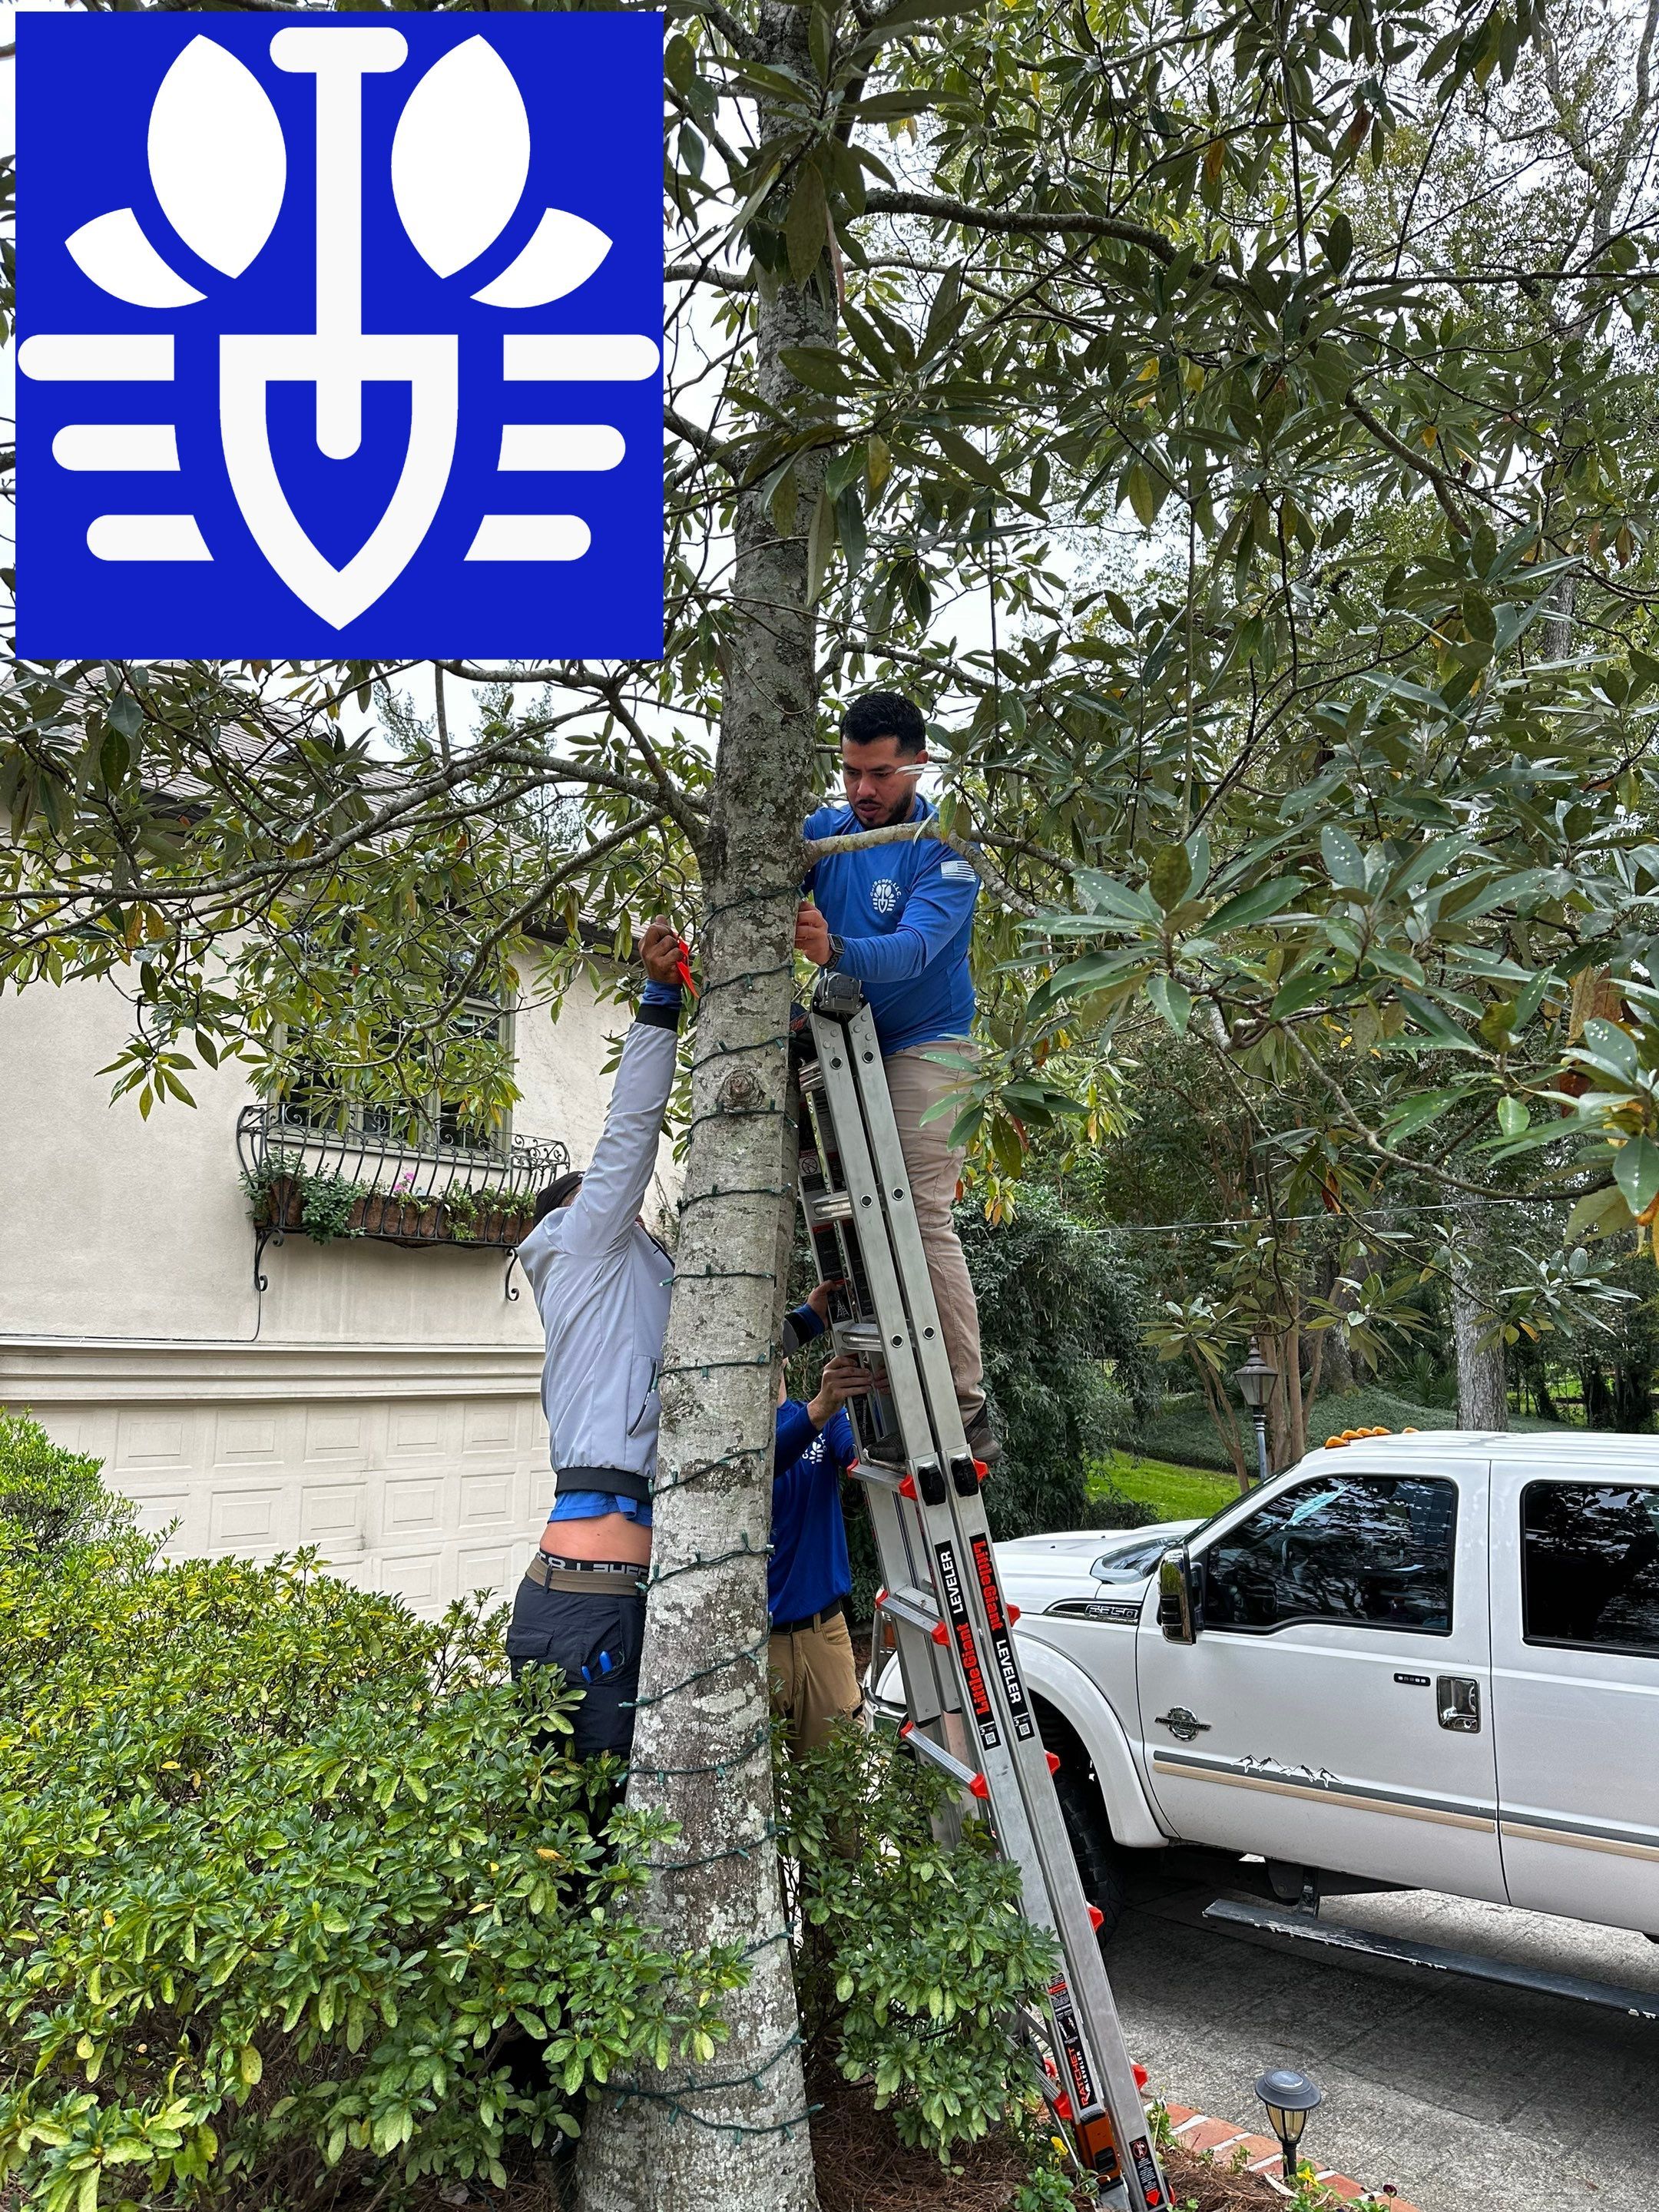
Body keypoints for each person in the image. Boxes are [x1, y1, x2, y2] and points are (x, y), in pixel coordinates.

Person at [504, 916, 686, 1763]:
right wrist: (657, 1001)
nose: (638, 1221)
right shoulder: (584, 1242)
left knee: (588, 1845)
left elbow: (677, 1346)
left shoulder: (607, 1288)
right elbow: (630, 1137)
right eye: (620, 1209)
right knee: (591, 1855)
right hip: (591, 1606)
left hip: (587, 1598)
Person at [795, 688, 994, 1463]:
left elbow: (912, 952)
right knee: (864, 1218)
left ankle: (968, 1408)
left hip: (930, 1046)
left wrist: (832, 949)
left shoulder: (946, 848)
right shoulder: (829, 834)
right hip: (851, 1045)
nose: (862, 792)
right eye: (849, 774)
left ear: (917, 761)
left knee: (919, 1214)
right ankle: (891, 1382)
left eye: (878, 775)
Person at [768, 1321, 873, 1753]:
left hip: (824, 1637)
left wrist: (876, 1389)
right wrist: (821, 1408)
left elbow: (861, 1453)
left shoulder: (825, 1423)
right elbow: (764, 1460)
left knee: (838, 1798)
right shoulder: (729, 1440)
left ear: (786, 1355)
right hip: (755, 1643)